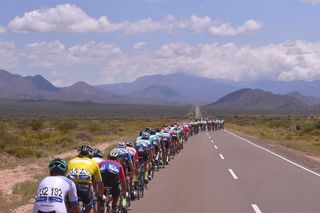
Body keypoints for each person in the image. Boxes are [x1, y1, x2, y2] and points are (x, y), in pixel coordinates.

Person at [66, 144, 104, 213]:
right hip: (85, 187)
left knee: (70, 208)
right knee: (89, 207)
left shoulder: (70, 161)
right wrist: (100, 195)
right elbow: (99, 183)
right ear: (90, 154)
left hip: (71, 186)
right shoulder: (93, 163)